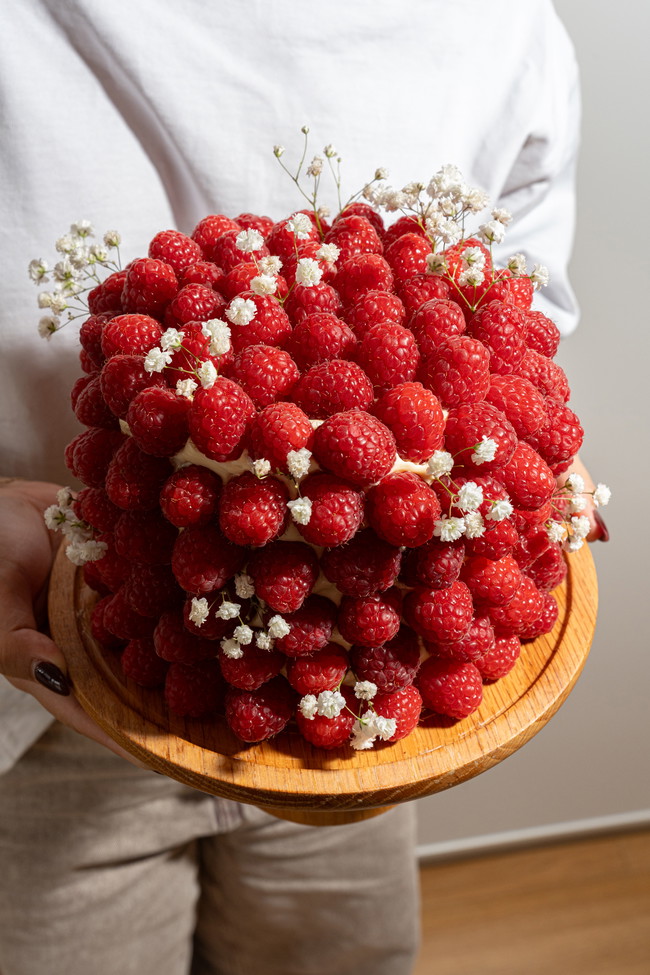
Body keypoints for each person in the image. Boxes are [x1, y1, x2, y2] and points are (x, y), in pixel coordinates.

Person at [0, 2, 603, 973]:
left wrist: (512, 471)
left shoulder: (502, 27)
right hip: (43, 701)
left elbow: (520, 299)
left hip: (364, 697)